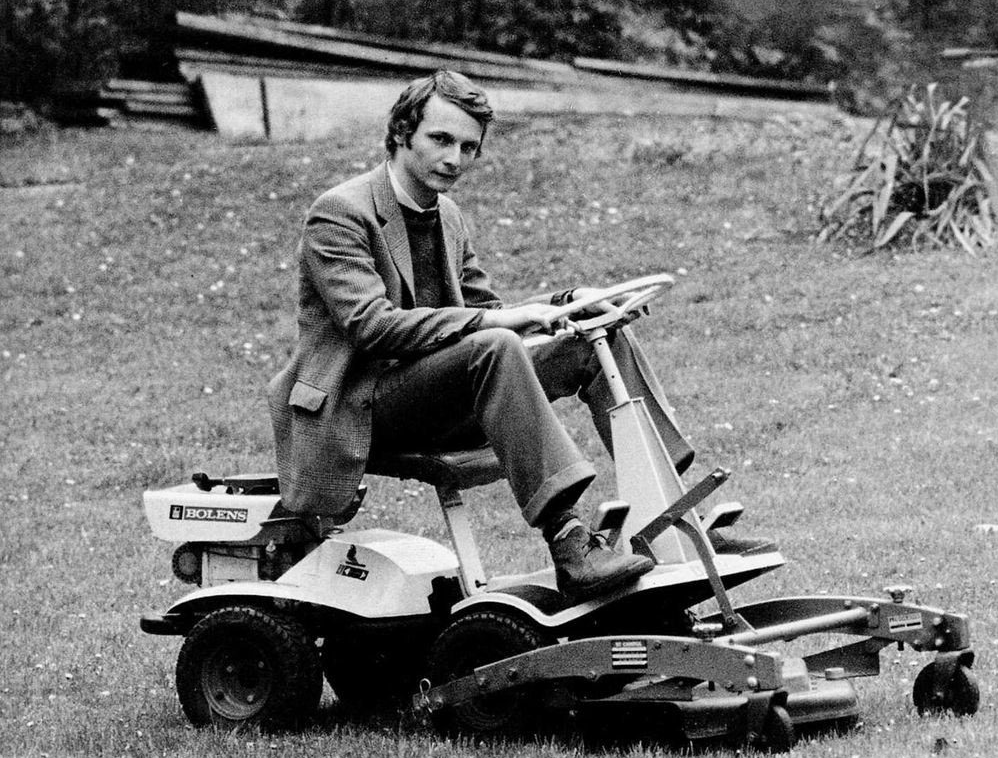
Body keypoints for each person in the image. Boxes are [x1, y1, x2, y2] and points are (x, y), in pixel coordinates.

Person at [268, 69, 695, 600]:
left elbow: (486, 310)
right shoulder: (341, 214)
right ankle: (568, 540)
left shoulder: (447, 215)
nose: (455, 158)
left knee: (592, 339)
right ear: (401, 132)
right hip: (362, 407)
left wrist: (568, 304)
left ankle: (680, 512)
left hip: (443, 389)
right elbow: (372, 327)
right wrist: (493, 323)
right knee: (494, 344)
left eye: (468, 147)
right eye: (441, 139)